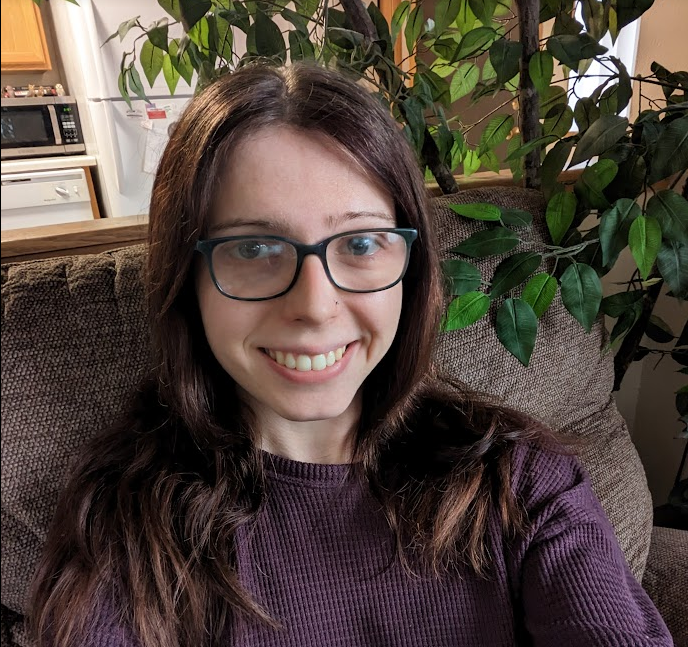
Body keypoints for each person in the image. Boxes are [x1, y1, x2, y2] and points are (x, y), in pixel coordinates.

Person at [29, 61, 672, 647]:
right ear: (187, 279)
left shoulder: (522, 484)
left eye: (361, 244)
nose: (315, 304)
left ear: (409, 269)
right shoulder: (123, 532)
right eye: (254, 249)